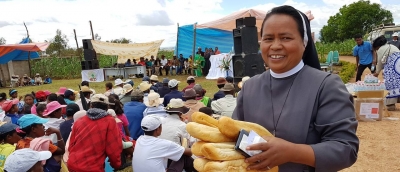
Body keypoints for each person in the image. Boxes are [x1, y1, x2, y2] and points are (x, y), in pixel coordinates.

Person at [232, 5, 358, 171]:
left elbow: (345, 150)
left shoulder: (326, 86)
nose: (275, 46)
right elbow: (234, 135)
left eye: (285, 38)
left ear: (304, 43)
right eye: (268, 38)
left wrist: (292, 152)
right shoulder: (249, 87)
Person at [68, 94, 123, 171]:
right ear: (107, 107)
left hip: (73, 164)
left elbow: (71, 145)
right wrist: (116, 164)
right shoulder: (110, 121)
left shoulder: (79, 121)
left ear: (91, 105)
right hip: (92, 167)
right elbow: (113, 147)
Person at [159, 98, 196, 172]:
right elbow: (191, 142)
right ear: (180, 113)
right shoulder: (182, 125)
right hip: (173, 159)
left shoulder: (160, 121)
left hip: (160, 157)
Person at [372, 35, 400, 111]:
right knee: (398, 83)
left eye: (376, 48)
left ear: (377, 46)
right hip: (398, 66)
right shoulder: (392, 46)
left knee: (389, 82)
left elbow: (380, 63)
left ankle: (390, 104)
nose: (376, 50)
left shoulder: (381, 49)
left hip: (393, 68)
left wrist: (376, 73)